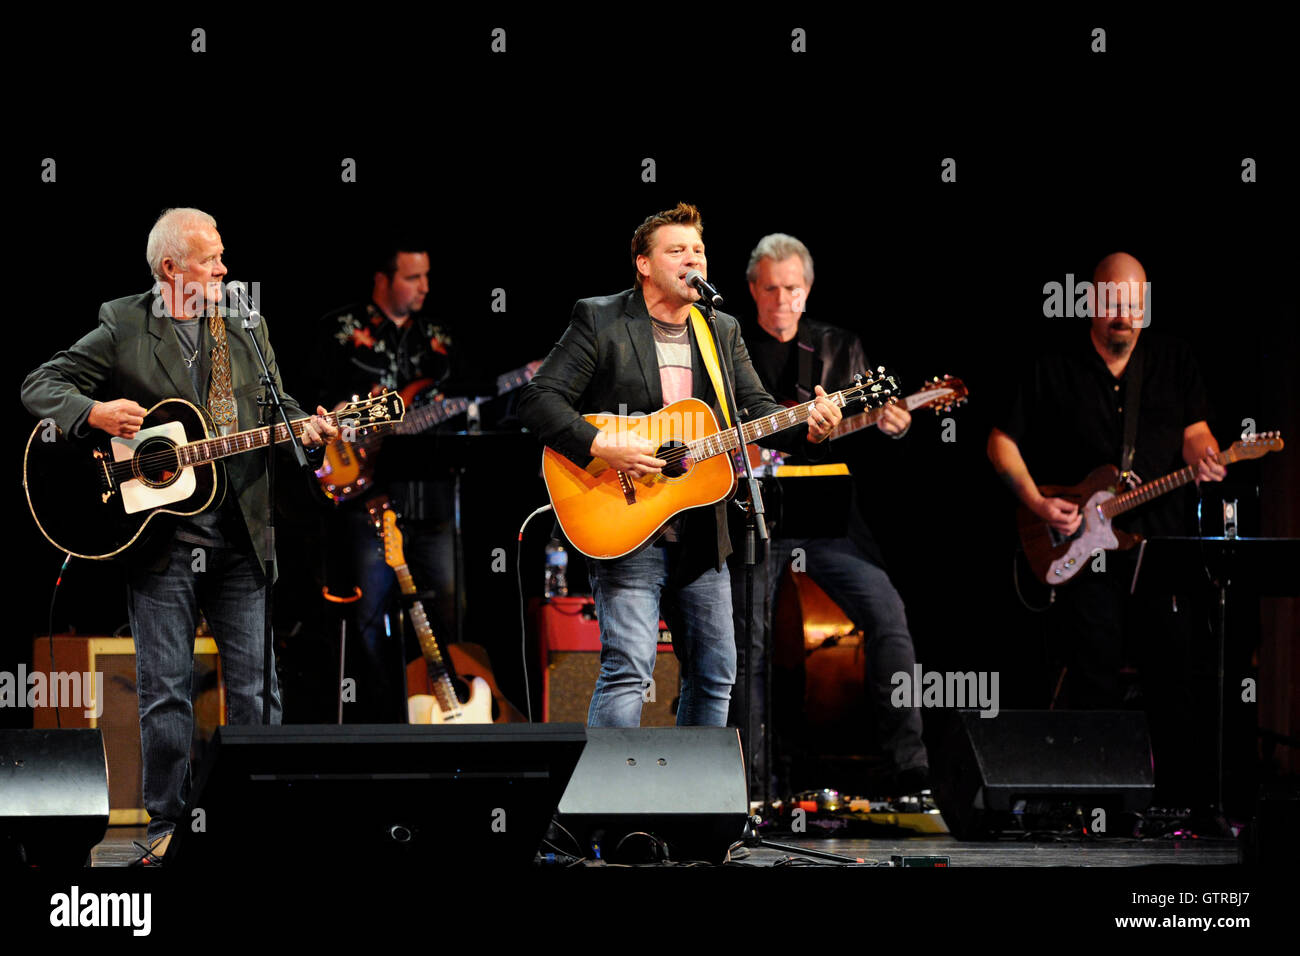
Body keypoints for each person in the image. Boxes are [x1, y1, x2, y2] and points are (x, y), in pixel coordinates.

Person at [21, 208, 337, 861]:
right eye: (211, 258)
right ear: (172, 268)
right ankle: (165, 828)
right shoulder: (124, 322)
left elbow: (277, 408)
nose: (224, 269)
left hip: (242, 535)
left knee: (256, 689)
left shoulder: (246, 326)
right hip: (160, 542)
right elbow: (40, 384)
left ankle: (255, 822)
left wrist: (309, 429)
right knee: (165, 688)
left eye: (222, 256)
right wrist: (94, 412)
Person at [518, 203, 841, 728]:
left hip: (699, 529)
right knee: (630, 668)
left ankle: (692, 807)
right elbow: (537, 400)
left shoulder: (720, 328)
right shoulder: (600, 318)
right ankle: (608, 806)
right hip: (622, 519)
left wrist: (810, 426)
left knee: (716, 672)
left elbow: (755, 410)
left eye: (699, 251)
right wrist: (604, 444)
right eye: (677, 251)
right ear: (644, 264)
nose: (693, 259)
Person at [987, 251, 1224, 803]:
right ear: (1090, 301)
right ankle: (1093, 800)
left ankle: (1174, 801)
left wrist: (1210, 457)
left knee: (1175, 670)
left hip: (1158, 547)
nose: (1124, 312)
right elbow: (1000, 442)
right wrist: (1039, 503)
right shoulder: (1052, 365)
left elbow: (1196, 435)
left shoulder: (1174, 359)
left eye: (1134, 301)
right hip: (1079, 546)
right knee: (1091, 671)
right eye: (1113, 300)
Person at [730, 233, 931, 797]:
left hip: (828, 520)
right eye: (771, 290)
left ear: (808, 288)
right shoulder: (731, 348)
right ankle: (748, 783)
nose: (783, 301)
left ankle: (910, 765)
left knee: (888, 613)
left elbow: (865, 433)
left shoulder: (840, 348)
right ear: (752, 290)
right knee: (750, 642)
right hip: (756, 518)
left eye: (793, 289)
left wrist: (897, 425)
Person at [313, 242, 458, 723]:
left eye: (427, 277)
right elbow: (316, 407)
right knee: (371, 618)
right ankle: (379, 725)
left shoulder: (438, 336)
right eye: (413, 278)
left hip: (430, 495)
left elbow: (454, 402)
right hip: (365, 494)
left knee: (444, 611)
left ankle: (436, 714)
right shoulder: (341, 329)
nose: (425, 288)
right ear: (383, 279)